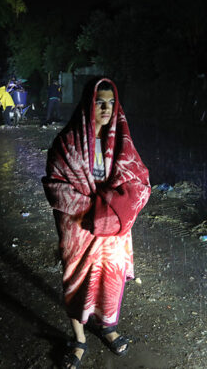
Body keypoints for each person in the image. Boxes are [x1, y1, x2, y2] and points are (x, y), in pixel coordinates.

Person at [42, 77, 151, 368]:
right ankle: (79, 338)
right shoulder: (67, 144)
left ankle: (107, 326)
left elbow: (140, 180)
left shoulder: (121, 145)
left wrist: (116, 209)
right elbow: (56, 186)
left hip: (113, 231)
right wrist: (96, 210)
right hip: (81, 228)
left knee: (111, 279)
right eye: (99, 102)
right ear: (87, 105)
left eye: (111, 102)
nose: (106, 108)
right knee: (77, 282)